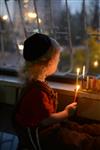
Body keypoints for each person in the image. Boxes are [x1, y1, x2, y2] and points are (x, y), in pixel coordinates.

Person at [14, 33, 100, 150]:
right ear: (48, 62)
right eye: (57, 58)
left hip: (51, 127)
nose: (59, 60)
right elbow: (44, 120)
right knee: (83, 142)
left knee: (81, 129)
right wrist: (66, 113)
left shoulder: (34, 84)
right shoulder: (37, 92)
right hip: (45, 136)